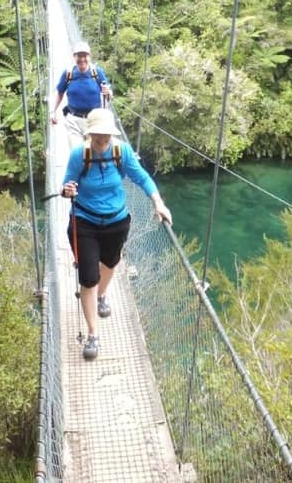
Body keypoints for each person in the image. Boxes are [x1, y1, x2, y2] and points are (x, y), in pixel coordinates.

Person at [60, 108, 172, 361]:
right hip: (85, 221)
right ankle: (92, 335)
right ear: (89, 135)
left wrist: (158, 203)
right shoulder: (80, 154)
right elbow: (68, 184)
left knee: (110, 262)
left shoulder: (122, 151)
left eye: (106, 138)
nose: (102, 143)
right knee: (88, 277)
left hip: (116, 221)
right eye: (98, 138)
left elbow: (141, 177)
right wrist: (67, 190)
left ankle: (102, 296)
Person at [50, 41, 111, 144]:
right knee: (78, 153)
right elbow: (60, 93)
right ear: (74, 57)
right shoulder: (68, 73)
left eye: (85, 55)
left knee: (93, 155)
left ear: (89, 57)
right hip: (73, 121)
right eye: (79, 56)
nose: (82, 59)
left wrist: (109, 92)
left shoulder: (97, 72)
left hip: (94, 120)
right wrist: (52, 111)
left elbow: (108, 93)